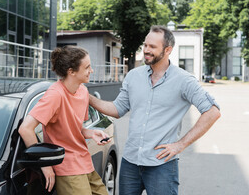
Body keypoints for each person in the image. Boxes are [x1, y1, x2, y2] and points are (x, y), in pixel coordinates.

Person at [89, 25, 221, 195]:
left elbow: (213, 111)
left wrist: (180, 145)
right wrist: (89, 98)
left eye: (152, 47)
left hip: (162, 166)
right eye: (145, 45)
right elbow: (117, 108)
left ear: (168, 50)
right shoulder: (133, 76)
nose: (146, 50)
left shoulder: (184, 80)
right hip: (131, 163)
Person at [19, 45, 110, 195]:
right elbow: (25, 128)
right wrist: (45, 165)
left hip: (85, 162)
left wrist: (91, 133)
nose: (91, 71)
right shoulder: (55, 95)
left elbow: (74, 127)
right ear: (71, 72)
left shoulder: (83, 91)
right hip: (67, 168)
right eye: (87, 67)